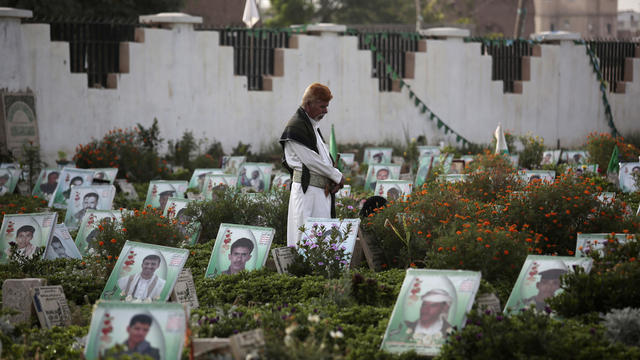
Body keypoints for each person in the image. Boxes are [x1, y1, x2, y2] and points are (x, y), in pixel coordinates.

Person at [279, 83, 344, 247]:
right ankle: (304, 273)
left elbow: (322, 160)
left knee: (323, 238)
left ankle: (319, 272)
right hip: (306, 192)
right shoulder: (295, 128)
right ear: (309, 105)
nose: (326, 111)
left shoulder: (312, 126)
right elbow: (311, 160)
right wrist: (337, 175)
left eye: (327, 106)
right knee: (305, 237)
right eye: (322, 106)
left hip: (320, 192)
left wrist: (332, 179)